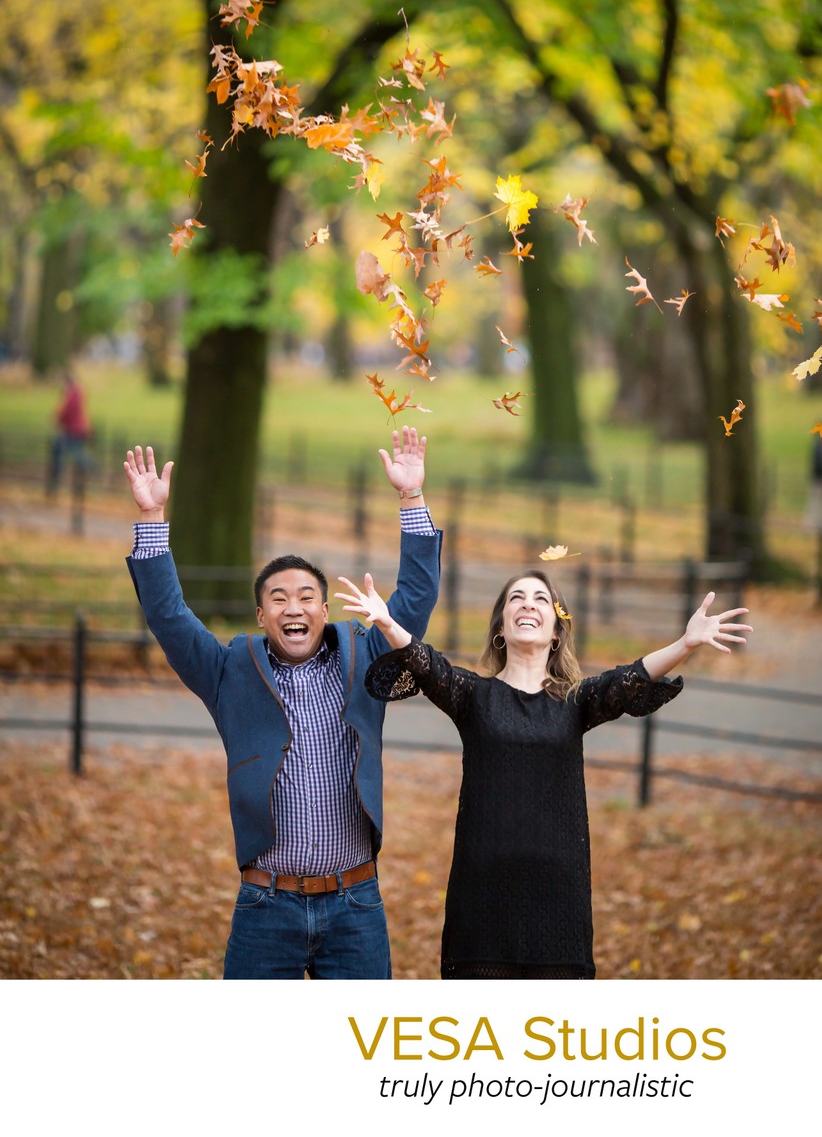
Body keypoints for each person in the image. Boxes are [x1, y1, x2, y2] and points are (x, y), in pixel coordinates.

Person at [123, 426, 441, 980]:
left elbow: (415, 596)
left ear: (324, 610)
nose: (293, 607)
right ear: (262, 617)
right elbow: (170, 618)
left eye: (306, 597)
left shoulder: (366, 656)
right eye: (278, 598)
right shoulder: (229, 672)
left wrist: (410, 498)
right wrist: (152, 520)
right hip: (266, 906)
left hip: (356, 903)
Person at [335, 565, 751, 980]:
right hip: (484, 893)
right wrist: (388, 622)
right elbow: (428, 664)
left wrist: (686, 643)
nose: (527, 605)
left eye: (539, 599)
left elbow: (631, 678)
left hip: (558, 894)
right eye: (516, 598)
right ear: (500, 626)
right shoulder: (473, 696)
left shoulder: (575, 702)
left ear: (556, 631)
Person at [47, 369, 92, 493]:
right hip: (77, 428)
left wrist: (57, 418)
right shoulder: (76, 392)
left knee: (72, 451)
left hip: (74, 429)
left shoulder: (73, 393)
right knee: (74, 450)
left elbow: (67, 410)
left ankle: (89, 468)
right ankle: (87, 468)